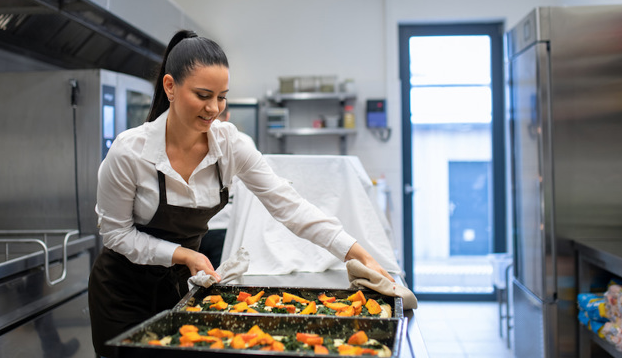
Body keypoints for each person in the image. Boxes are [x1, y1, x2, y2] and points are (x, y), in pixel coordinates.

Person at [87, 30, 393, 357]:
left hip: (180, 291)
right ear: (170, 87)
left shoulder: (230, 145)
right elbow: (116, 234)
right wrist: (182, 254)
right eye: (203, 95)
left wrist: (356, 252)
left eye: (221, 96)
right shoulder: (130, 152)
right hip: (121, 294)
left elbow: (290, 207)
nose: (213, 108)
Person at [197, 104, 252, 267]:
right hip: (225, 226)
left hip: (194, 228)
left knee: (191, 287)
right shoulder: (243, 140)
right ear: (227, 117)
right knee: (217, 282)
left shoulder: (191, 138)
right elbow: (248, 191)